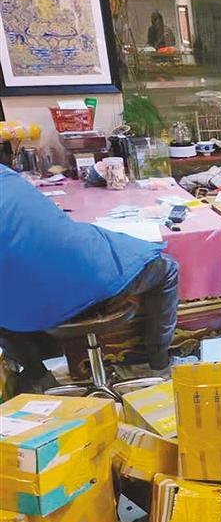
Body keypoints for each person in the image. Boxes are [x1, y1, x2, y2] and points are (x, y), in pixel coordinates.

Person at [0, 165, 180, 392]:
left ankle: (39, 378)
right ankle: (158, 364)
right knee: (166, 268)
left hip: (27, 310)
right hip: (91, 284)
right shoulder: (7, 178)